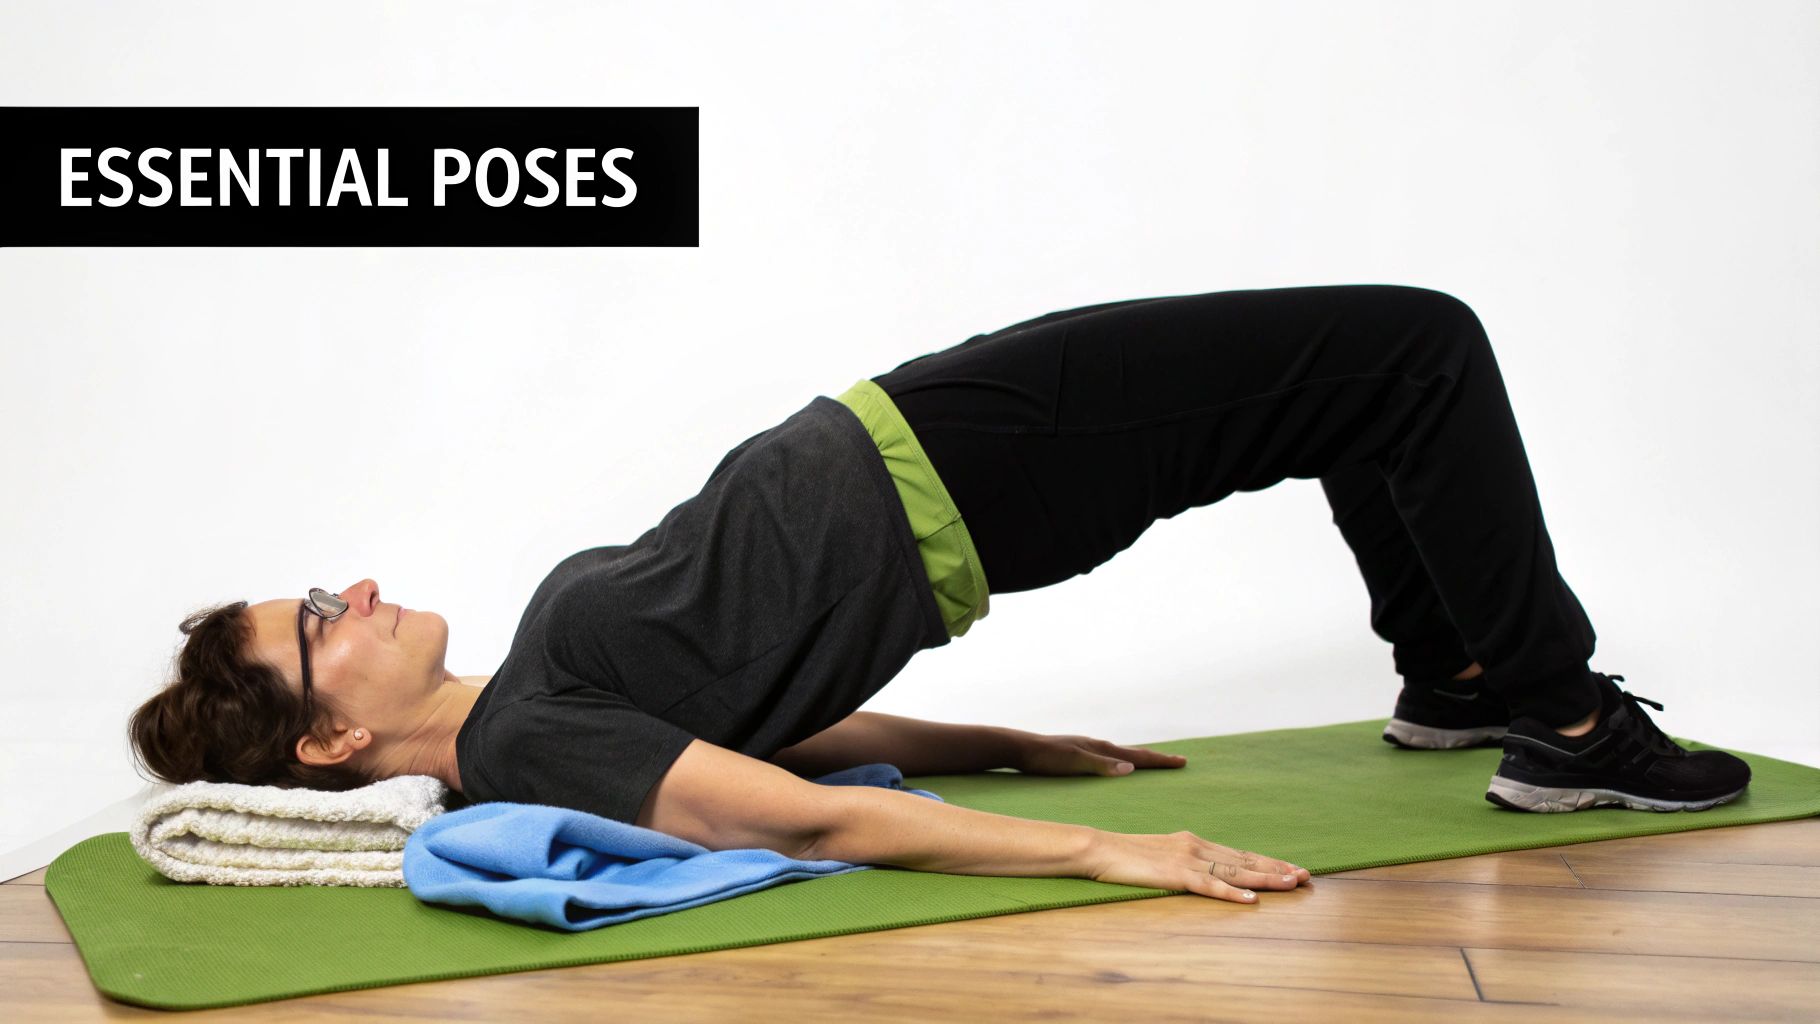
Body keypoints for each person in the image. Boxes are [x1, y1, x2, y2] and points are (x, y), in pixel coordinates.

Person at [128, 284, 1750, 907]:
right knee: (1416, 349)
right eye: (318, 624)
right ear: (330, 746)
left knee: (1361, 385)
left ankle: (1456, 681)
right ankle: (1561, 722)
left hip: (937, 440)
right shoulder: (529, 746)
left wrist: (1005, 742)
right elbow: (799, 816)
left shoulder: (526, 716)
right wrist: (1114, 852)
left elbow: (773, 736)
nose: (353, 593)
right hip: (970, 468)